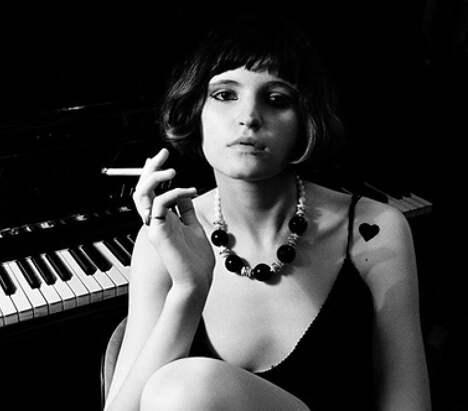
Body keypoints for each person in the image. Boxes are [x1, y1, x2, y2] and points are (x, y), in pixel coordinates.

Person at [103, 14, 431, 411]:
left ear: (305, 120)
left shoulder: (373, 229)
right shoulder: (163, 239)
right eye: (225, 95)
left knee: (185, 388)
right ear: (195, 110)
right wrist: (189, 289)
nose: (249, 117)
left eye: (276, 100)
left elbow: (408, 401)